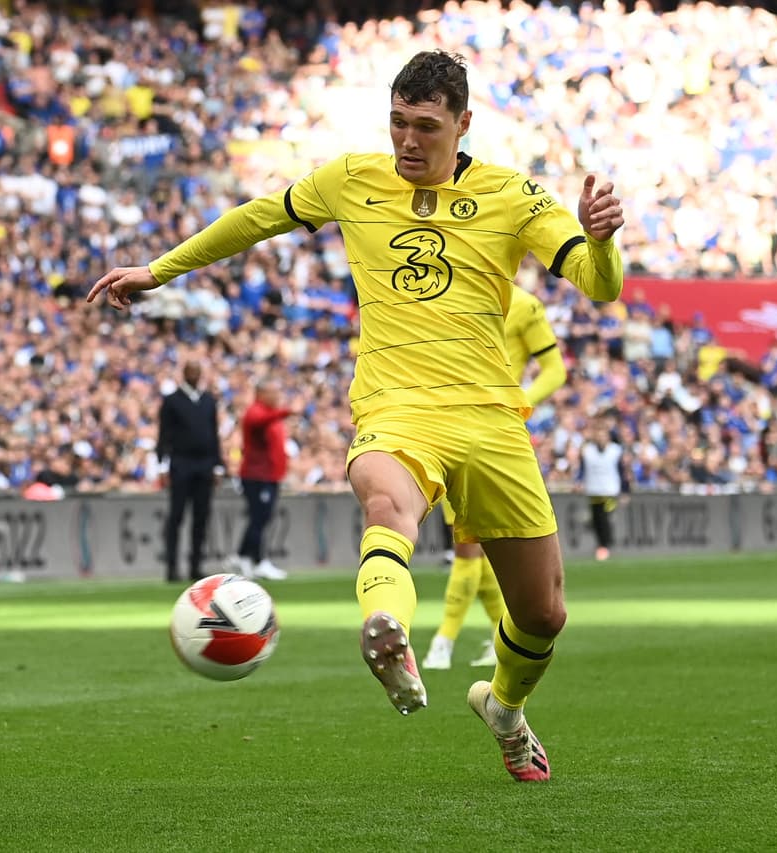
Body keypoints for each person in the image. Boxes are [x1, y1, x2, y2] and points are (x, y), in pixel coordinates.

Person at [88, 50, 625, 781]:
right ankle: (388, 628)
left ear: (462, 123)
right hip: (396, 406)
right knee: (385, 499)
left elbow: (600, 287)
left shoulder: (514, 196)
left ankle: (503, 708)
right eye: (398, 123)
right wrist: (159, 269)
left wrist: (600, 239)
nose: (407, 140)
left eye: (425, 127)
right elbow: (255, 219)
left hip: (492, 420)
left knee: (543, 614)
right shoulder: (351, 179)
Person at [423, 282, 568, 670]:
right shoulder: (453, 289)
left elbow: (555, 370)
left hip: (497, 435)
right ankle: (495, 634)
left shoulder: (525, 305)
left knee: (469, 549)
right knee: (473, 546)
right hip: (448, 430)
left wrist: (520, 403)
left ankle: (444, 640)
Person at [157, 361, 224, 583]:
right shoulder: (172, 401)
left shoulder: (207, 401)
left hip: (204, 464)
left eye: (198, 371)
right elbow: (163, 434)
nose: (195, 375)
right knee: (176, 516)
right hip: (181, 462)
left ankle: (196, 565)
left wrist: (217, 464)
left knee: (201, 517)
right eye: (191, 371)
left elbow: (214, 435)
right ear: (184, 374)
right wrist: (161, 464)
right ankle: (172, 566)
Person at [227, 379, 293, 581]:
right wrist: (288, 411)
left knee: (262, 518)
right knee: (259, 517)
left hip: (268, 475)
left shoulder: (269, 415)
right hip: (257, 476)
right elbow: (259, 421)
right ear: (261, 393)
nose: (277, 397)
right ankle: (253, 559)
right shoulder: (256, 412)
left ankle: (246, 557)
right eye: (273, 392)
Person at [580, 419, 629, 561]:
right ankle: (602, 544)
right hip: (593, 490)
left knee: (604, 517)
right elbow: (582, 470)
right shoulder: (587, 451)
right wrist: (578, 482)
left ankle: (604, 545)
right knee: (596, 519)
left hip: (610, 491)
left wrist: (625, 490)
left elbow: (622, 472)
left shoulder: (615, 451)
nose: (601, 438)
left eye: (603, 435)